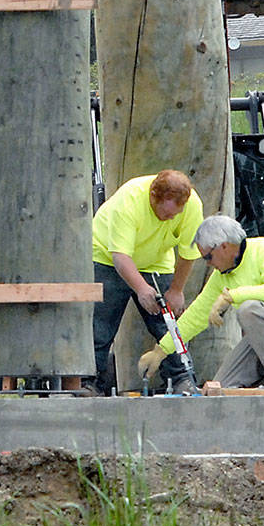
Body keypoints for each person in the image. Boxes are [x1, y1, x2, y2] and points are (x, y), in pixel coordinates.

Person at [137, 214, 264, 394]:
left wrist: (231, 297)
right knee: (220, 389)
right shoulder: (222, 275)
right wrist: (161, 351)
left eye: (208, 257)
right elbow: (195, 316)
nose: (208, 264)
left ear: (224, 247)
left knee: (249, 309)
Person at [83, 169, 204, 396]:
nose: (170, 219)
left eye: (174, 216)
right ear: (153, 197)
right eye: (165, 214)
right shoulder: (129, 200)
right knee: (101, 324)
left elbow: (189, 252)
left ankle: (182, 379)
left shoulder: (192, 205)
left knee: (167, 323)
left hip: (156, 261)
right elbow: (120, 257)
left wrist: (176, 290)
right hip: (108, 258)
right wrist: (141, 289)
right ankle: (89, 382)